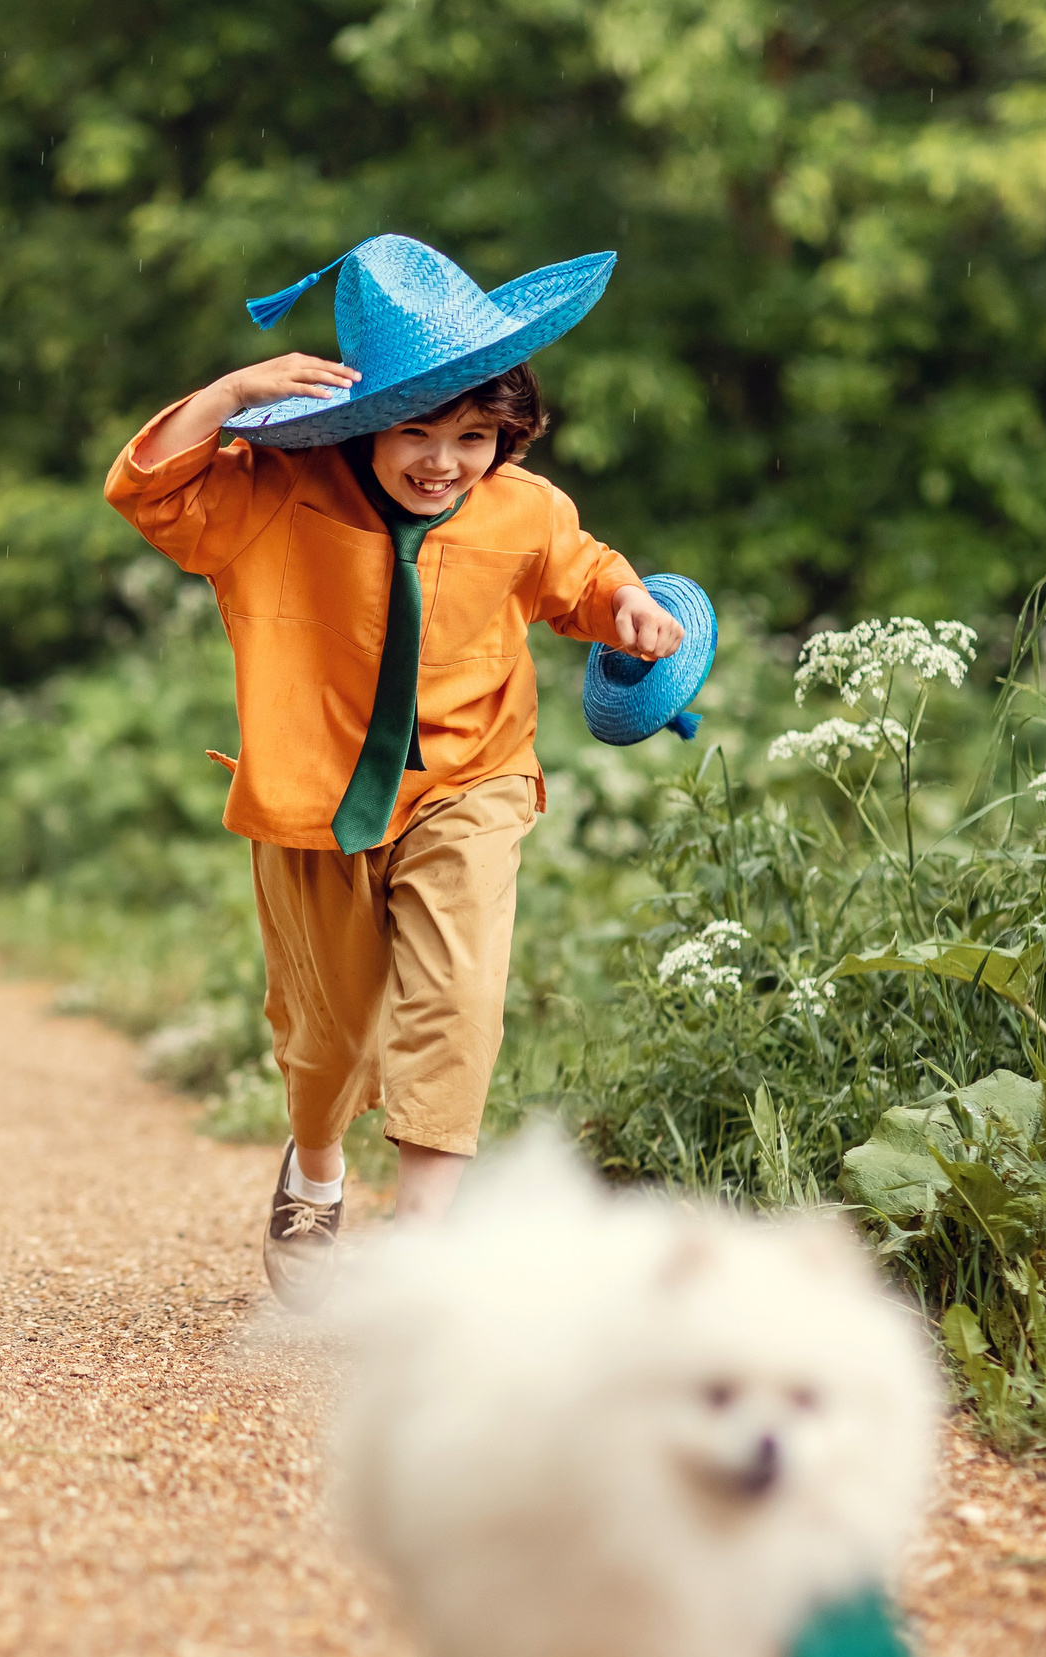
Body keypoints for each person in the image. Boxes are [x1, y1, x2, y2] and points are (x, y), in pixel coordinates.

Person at [102, 234, 684, 1312]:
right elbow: (147, 491)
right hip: (312, 794)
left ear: (509, 436)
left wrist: (631, 607)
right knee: (328, 1033)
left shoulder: (525, 509)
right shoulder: (272, 494)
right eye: (416, 430)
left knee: (457, 992)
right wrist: (229, 390)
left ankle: (422, 1250)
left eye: (473, 436)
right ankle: (315, 1165)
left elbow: (586, 577)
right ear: (367, 423)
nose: (443, 462)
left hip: (473, 779)